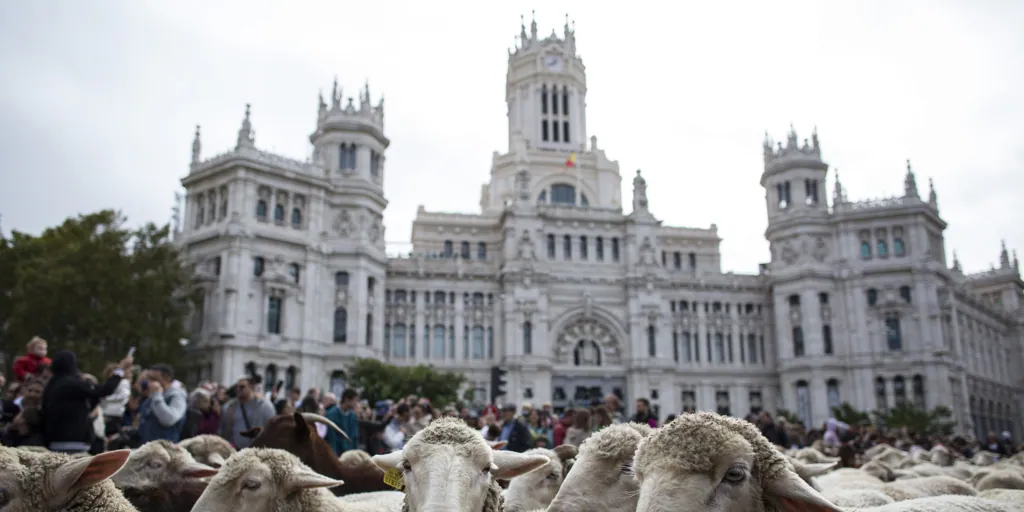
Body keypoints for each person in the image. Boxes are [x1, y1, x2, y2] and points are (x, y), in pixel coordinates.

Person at [41, 350, 132, 454]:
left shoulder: (51, 385)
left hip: (53, 440)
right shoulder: (72, 384)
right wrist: (120, 370)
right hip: (74, 442)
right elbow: (104, 390)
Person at [135, 364, 189, 443]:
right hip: (148, 446)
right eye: (148, 378)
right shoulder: (151, 397)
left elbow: (168, 420)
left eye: (153, 379)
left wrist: (157, 395)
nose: (149, 382)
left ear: (167, 378)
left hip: (166, 448)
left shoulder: (177, 396)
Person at [220, 377, 276, 449]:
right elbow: (223, 430)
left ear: (251, 387)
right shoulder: (229, 407)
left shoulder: (265, 406)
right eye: (236, 387)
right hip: (235, 450)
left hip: (258, 450)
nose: (238, 390)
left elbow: (271, 430)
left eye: (242, 387)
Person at [326, 388, 360, 455]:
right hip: (337, 454)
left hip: (350, 455)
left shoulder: (353, 416)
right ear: (347, 399)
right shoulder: (331, 414)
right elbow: (331, 439)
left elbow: (355, 437)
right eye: (355, 401)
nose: (356, 404)